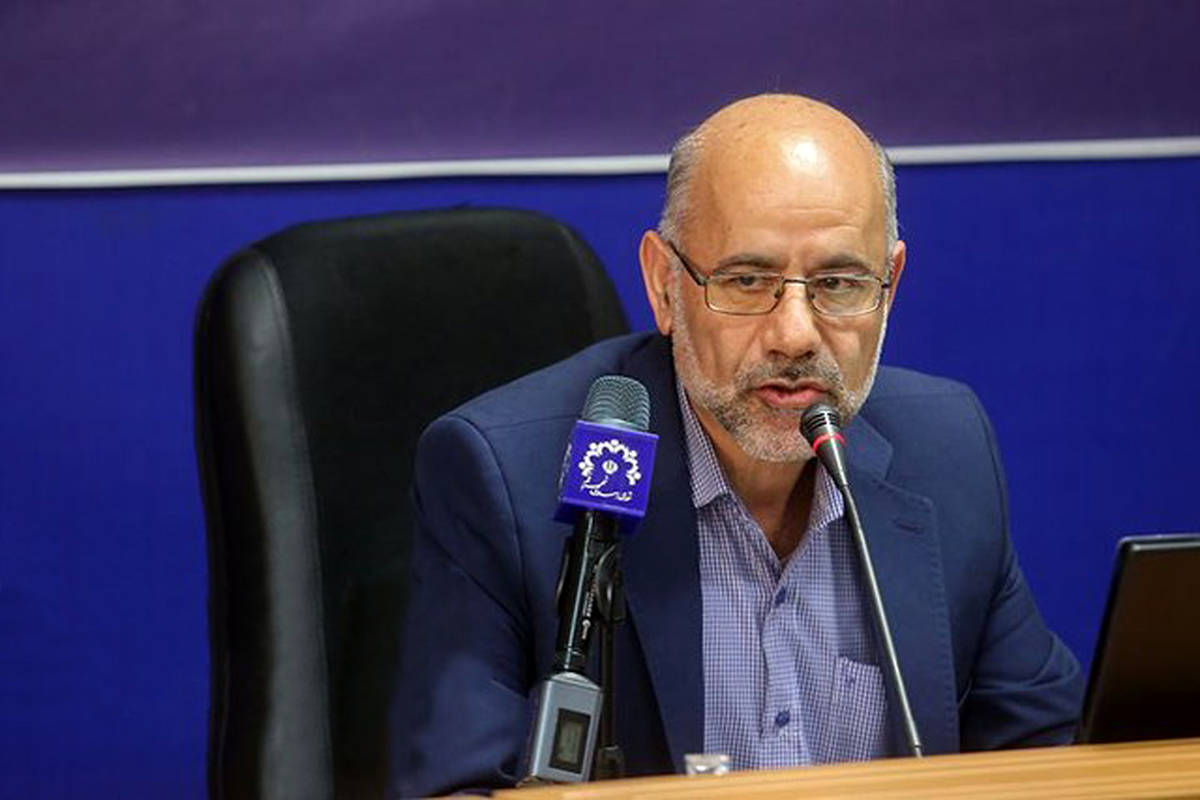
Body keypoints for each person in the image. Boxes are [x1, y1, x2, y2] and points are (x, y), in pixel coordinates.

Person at [390, 94, 1083, 796]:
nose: (795, 335)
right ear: (665, 285)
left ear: (890, 285)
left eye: (839, 284)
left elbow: (1049, 753)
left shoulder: (946, 451)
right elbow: (457, 787)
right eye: (747, 281)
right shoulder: (508, 477)